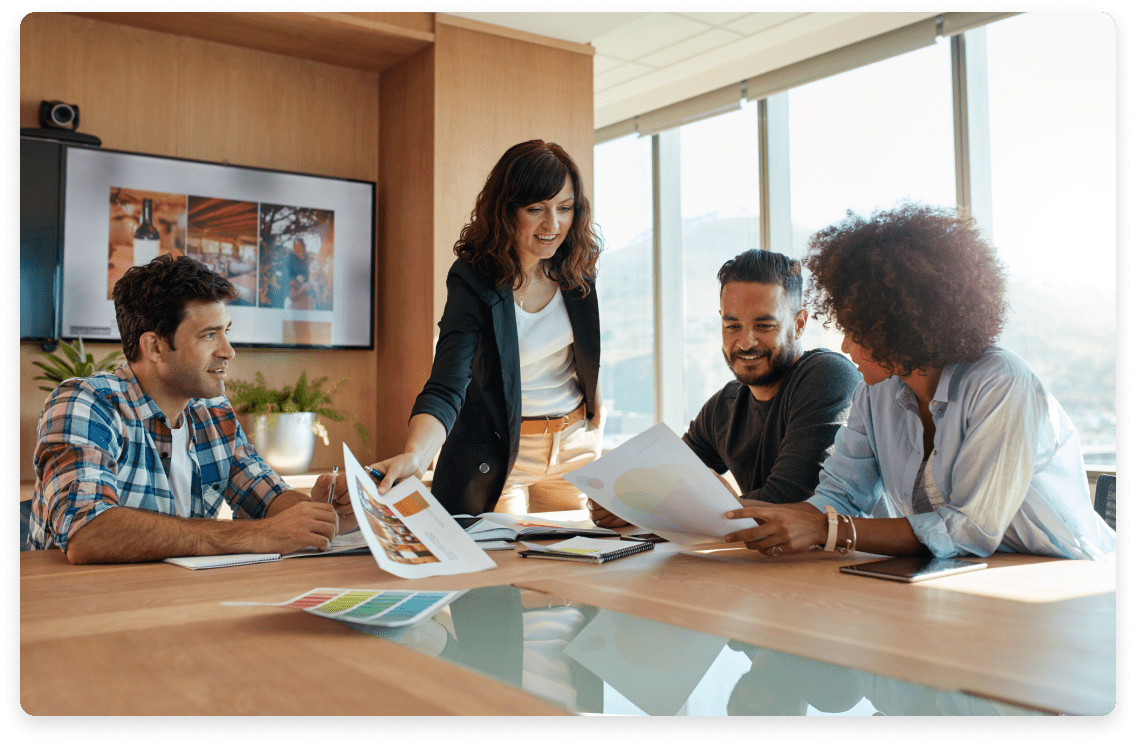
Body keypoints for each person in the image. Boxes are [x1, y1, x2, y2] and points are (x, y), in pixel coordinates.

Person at [723, 203, 1115, 561]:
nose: (844, 346)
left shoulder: (1002, 384)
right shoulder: (873, 395)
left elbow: (967, 531)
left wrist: (829, 531)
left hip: (1069, 581)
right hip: (963, 578)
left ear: (901, 328)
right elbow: (839, 495)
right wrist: (739, 516)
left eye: (856, 331)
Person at [28, 254, 343, 564]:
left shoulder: (214, 413)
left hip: (180, 600)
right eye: (208, 335)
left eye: (225, 331)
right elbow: (88, 533)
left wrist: (325, 513)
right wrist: (255, 535)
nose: (228, 351)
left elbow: (268, 497)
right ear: (155, 347)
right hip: (82, 607)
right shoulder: (86, 404)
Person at [351, 140, 603, 517]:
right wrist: (417, 455)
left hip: (575, 447)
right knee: (503, 565)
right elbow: (448, 382)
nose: (553, 225)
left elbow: (582, 349)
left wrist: (597, 404)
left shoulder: (576, 265)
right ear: (507, 211)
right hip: (505, 455)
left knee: (575, 566)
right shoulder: (475, 280)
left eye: (564, 208)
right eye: (536, 209)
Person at [589, 249, 860, 528]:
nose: (744, 342)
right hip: (771, 565)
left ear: (799, 323)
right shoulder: (724, 407)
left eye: (764, 325)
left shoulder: (828, 376)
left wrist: (674, 502)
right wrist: (620, 505)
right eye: (732, 326)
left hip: (846, 564)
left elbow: (785, 505)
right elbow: (663, 483)